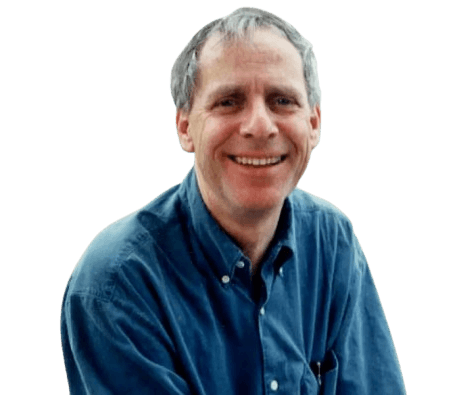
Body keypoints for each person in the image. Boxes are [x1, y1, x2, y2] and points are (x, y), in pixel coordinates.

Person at [60, 6, 406, 394]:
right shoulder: (117, 282)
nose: (259, 126)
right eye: (228, 101)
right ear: (185, 126)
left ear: (313, 123)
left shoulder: (333, 242)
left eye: (282, 101)